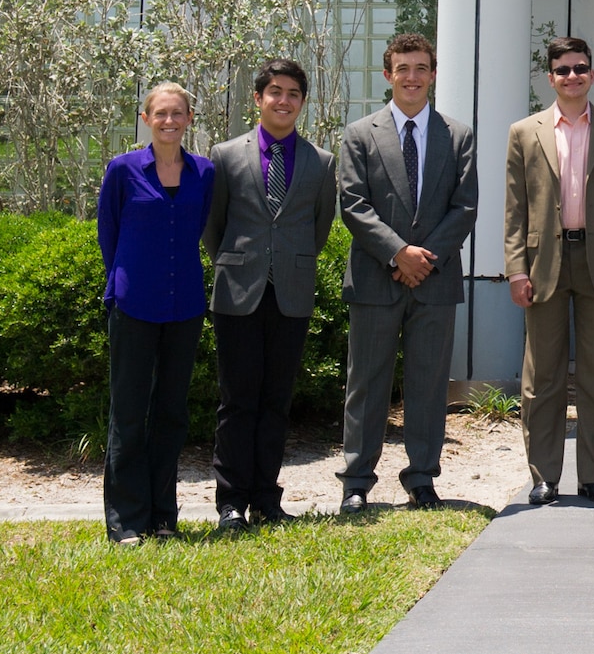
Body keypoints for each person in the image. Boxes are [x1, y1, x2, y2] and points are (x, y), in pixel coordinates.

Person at [336, 32, 478, 514]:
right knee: (367, 384)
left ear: (433, 74)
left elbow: (464, 208)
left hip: (435, 282)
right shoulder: (360, 134)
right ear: (387, 75)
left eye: (421, 68)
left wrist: (423, 259)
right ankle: (356, 482)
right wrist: (399, 254)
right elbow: (353, 205)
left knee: (428, 384)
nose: (412, 77)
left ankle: (421, 479)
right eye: (403, 68)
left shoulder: (457, 135)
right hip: (377, 279)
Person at [203, 59, 339, 531]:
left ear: (303, 102)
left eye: (293, 94)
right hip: (238, 292)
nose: (284, 101)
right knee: (237, 400)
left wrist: (286, 263)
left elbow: (318, 230)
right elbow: (213, 227)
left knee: (277, 401)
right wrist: (243, 262)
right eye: (275, 92)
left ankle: (267, 498)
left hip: (291, 294)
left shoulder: (321, 163)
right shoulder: (224, 155)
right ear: (258, 99)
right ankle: (230, 503)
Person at [507, 35, 594, 505]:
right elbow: (516, 209)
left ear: (592, 74)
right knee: (542, 376)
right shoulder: (525, 132)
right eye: (562, 70)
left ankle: (593, 475)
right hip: (543, 263)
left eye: (580, 68)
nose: (572, 76)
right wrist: (515, 269)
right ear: (551, 77)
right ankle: (544, 476)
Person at [97, 82, 214, 546]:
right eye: (160, 114)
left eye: (178, 113)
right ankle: (126, 520)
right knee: (128, 412)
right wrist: (124, 281)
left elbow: (200, 227)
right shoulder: (123, 170)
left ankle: (164, 516)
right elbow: (109, 232)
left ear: (189, 119)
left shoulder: (203, 173)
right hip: (133, 304)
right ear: (146, 119)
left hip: (183, 305)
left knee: (170, 413)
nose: (169, 121)